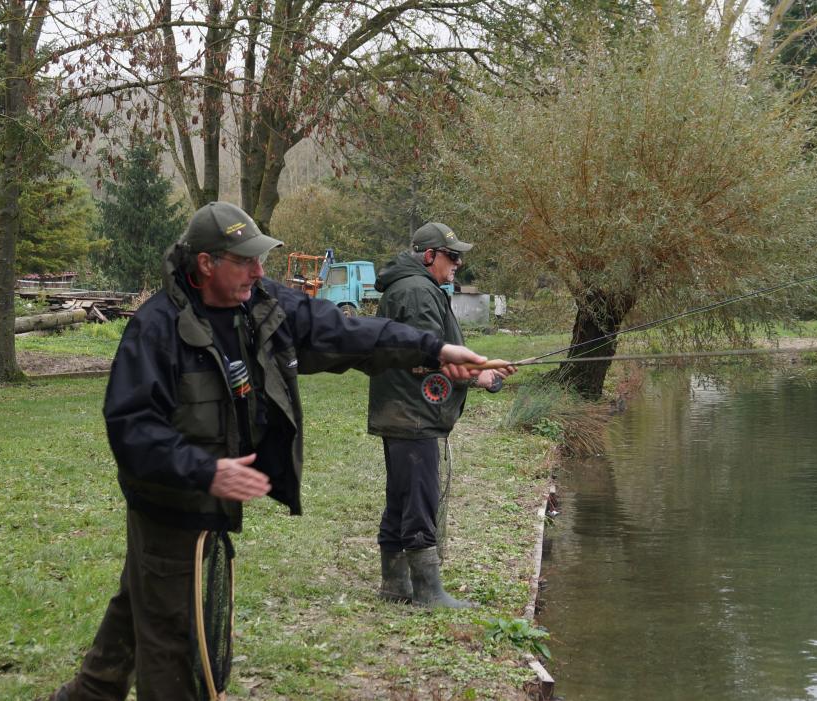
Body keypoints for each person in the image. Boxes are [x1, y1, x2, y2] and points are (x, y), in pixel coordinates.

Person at [48, 202, 489, 701]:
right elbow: (131, 428)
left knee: (144, 597)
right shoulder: (156, 328)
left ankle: (88, 693)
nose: (259, 271)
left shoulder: (260, 303)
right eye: (245, 261)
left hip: (212, 495)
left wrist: (435, 350)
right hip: (170, 502)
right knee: (175, 634)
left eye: (260, 260)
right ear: (207, 263)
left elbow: (343, 331)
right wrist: (204, 470)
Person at [366, 222, 513, 609]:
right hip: (412, 413)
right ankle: (428, 592)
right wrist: (478, 375)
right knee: (419, 499)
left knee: (402, 496)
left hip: (404, 410)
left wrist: (480, 365)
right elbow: (424, 357)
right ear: (429, 255)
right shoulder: (416, 291)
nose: (458, 263)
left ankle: (396, 585)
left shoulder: (415, 287)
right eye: (452, 256)